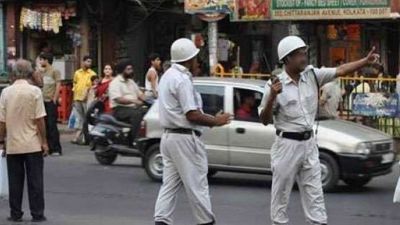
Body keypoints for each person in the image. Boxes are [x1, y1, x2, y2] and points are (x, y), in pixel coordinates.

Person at [259, 36, 380, 225]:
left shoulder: (313, 75)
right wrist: (272, 97)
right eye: (299, 54)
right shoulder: (274, 86)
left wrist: (364, 61)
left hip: (309, 144)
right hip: (286, 146)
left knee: (315, 193)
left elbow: (340, 70)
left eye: (304, 53)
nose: (304, 58)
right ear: (287, 58)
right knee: (281, 195)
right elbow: (265, 120)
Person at [154, 38, 231, 225]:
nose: (198, 61)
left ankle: (162, 220)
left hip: (169, 137)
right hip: (184, 138)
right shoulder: (182, 79)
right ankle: (205, 221)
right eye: (195, 57)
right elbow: (192, 114)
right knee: (197, 184)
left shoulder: (167, 76)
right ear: (189, 59)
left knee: (169, 185)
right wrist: (215, 121)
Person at [0, 59, 49, 222]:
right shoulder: (35, 91)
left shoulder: (6, 92)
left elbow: (2, 121)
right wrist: (44, 141)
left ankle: (15, 213)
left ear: (14, 73)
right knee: (35, 181)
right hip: (33, 144)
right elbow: (40, 119)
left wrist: (1, 141)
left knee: (15, 181)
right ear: (29, 72)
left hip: (13, 144)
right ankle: (37, 213)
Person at [108, 59, 146, 146]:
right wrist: (133, 101)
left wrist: (151, 101)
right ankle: (135, 140)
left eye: (131, 69)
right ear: (122, 70)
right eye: (128, 69)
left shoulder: (131, 82)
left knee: (147, 112)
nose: (131, 71)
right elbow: (118, 99)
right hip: (119, 109)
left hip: (132, 108)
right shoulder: (115, 83)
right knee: (137, 114)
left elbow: (140, 94)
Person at [38, 52, 62, 156]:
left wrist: (55, 98)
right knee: (44, 125)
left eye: (41, 60)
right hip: (42, 101)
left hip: (50, 101)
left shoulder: (54, 71)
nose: (40, 62)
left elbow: (58, 85)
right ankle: (46, 147)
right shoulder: (41, 72)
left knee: (52, 125)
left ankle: (56, 148)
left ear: (46, 60)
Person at [71, 55, 96, 144]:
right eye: (88, 61)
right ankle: (79, 137)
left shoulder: (92, 74)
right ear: (83, 62)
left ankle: (85, 138)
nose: (89, 63)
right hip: (77, 98)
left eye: (90, 62)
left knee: (87, 118)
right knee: (80, 118)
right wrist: (73, 98)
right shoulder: (77, 73)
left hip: (87, 99)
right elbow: (74, 85)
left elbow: (93, 87)